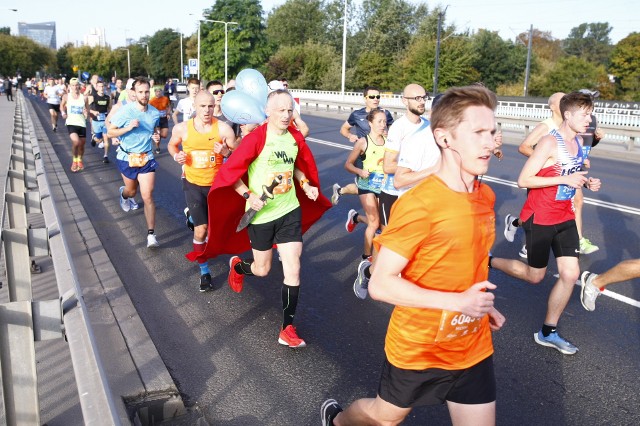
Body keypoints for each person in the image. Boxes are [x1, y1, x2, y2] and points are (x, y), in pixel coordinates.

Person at [321, 85, 505, 426]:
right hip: (419, 348)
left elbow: (463, 264)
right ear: (445, 138)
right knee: (384, 418)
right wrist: (458, 303)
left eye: (492, 131)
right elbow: (380, 285)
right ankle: (338, 421)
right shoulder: (420, 205)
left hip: (471, 346)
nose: (490, 141)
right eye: (478, 132)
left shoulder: (486, 197)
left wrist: (480, 303)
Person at [186, 89, 332, 347]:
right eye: (281, 110)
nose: (287, 115)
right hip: (261, 215)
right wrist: (247, 195)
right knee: (262, 269)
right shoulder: (255, 139)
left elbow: (295, 166)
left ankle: (287, 328)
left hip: (289, 210)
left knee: (293, 269)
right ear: (268, 111)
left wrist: (306, 184)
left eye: (290, 110)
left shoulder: (293, 138)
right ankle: (239, 267)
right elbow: (232, 174)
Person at [489, 91, 602, 355]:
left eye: (590, 113)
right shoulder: (551, 142)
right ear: (568, 114)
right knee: (535, 276)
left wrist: (587, 181)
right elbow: (524, 180)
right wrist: (564, 180)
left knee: (570, 274)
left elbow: (570, 173)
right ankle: (488, 261)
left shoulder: (578, 143)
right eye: (584, 114)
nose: (589, 119)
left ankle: (548, 332)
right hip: (540, 217)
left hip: (564, 217)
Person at [353, 84, 436, 299]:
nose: (421, 101)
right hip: (394, 195)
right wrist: (417, 170)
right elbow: (388, 167)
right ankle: (369, 271)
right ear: (404, 101)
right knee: (391, 244)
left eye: (423, 97)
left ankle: (409, 283)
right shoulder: (398, 128)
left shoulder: (428, 127)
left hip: (419, 196)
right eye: (416, 98)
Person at [168, 91, 236, 291]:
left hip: (217, 187)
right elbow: (172, 145)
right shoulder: (183, 129)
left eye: (210, 106)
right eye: (202, 106)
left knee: (220, 231)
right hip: (193, 184)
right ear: (194, 107)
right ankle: (204, 272)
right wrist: (176, 156)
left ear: (215, 106)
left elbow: (235, 154)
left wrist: (225, 153)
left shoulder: (223, 129)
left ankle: (193, 216)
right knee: (202, 229)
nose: (207, 110)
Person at [106, 77, 161, 248]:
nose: (144, 95)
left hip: (146, 158)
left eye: (146, 92)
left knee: (147, 195)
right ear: (134, 93)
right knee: (132, 191)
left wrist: (156, 138)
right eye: (141, 92)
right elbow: (110, 132)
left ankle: (151, 235)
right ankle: (124, 194)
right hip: (127, 157)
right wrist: (128, 128)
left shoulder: (154, 112)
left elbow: (155, 130)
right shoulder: (126, 111)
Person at [332, 86, 394, 206]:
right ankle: (371, 218)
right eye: (372, 97)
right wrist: (350, 135)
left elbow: (394, 131)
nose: (375, 99)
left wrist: (389, 133)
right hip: (363, 156)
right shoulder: (357, 114)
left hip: (381, 154)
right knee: (368, 187)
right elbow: (343, 129)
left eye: (378, 97)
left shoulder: (385, 113)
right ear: (365, 99)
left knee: (378, 187)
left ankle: (341, 191)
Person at [343, 109, 386, 272]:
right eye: (379, 122)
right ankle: (366, 257)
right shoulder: (363, 142)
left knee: (383, 225)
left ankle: (357, 218)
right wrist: (360, 172)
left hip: (383, 187)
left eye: (384, 122)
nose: (382, 125)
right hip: (366, 185)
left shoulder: (389, 141)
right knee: (374, 223)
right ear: (370, 123)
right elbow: (348, 164)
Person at [60, 78, 89, 172]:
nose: (75, 87)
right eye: (73, 85)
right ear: (70, 87)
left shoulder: (84, 98)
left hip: (81, 123)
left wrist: (86, 113)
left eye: (77, 85)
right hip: (71, 122)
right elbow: (61, 106)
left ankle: (79, 160)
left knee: (82, 144)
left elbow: (87, 110)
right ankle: (74, 161)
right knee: (76, 142)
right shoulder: (66, 96)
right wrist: (63, 113)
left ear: (79, 86)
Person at [88, 79, 112, 163]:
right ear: (97, 88)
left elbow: (110, 109)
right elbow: (87, 109)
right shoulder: (93, 97)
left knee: (106, 138)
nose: (101, 88)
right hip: (96, 121)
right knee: (99, 139)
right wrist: (93, 112)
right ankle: (94, 139)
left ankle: (105, 156)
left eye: (103, 86)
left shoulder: (107, 97)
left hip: (105, 121)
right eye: (100, 86)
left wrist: (110, 117)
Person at [149, 87, 172, 153]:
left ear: (161, 92)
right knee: (158, 134)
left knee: (164, 135)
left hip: (164, 118)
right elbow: (149, 110)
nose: (158, 93)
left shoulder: (165, 98)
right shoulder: (152, 101)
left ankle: (155, 137)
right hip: (156, 119)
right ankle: (157, 147)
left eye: (159, 91)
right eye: (157, 91)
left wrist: (168, 113)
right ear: (155, 92)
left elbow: (169, 106)